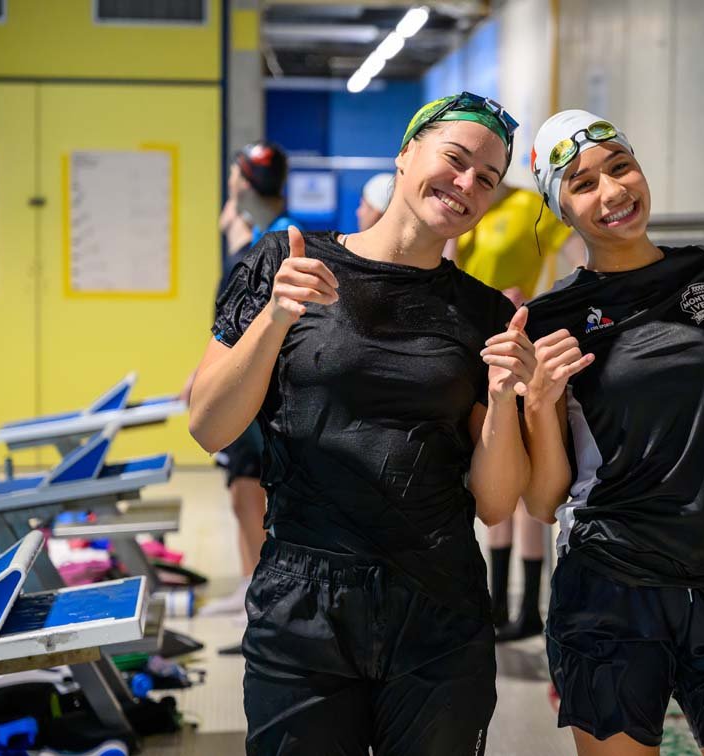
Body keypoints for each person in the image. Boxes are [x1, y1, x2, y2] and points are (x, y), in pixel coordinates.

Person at [188, 92, 537, 754]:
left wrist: (503, 400)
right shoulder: (287, 263)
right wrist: (276, 317)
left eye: (487, 178)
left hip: (439, 610)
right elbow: (208, 426)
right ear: (405, 154)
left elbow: (495, 505)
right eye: (455, 158)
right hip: (303, 604)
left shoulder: (485, 313)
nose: (467, 183)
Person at [521, 110, 704, 755]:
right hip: (611, 588)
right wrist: (538, 404)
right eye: (583, 183)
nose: (612, 191)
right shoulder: (552, 317)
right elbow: (542, 501)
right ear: (561, 209)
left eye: (620, 167)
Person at [443, 181, 586, 642]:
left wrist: (541, 304)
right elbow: (448, 269)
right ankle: (498, 604)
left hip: (524, 340)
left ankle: (527, 609)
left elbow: (577, 259)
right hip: (477, 347)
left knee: (526, 482)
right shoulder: (469, 208)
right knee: (493, 478)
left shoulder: (530, 207)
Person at [194, 141, 299, 622]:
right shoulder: (267, 235)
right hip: (251, 384)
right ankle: (250, 584)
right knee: (242, 485)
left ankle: (260, 590)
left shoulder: (276, 243)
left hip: (262, 391)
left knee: (250, 486)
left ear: (242, 183)